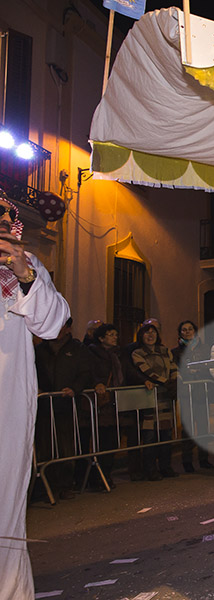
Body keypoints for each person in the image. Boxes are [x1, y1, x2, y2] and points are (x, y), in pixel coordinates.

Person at [0, 187, 70, 599]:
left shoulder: (29, 268)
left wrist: (25, 275)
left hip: (9, 401)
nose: (4, 228)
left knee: (6, 502)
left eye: (8, 222)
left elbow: (53, 323)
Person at [34, 316, 94, 500]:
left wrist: (74, 389)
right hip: (44, 404)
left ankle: (65, 484)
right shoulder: (41, 349)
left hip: (66, 405)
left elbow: (85, 373)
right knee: (44, 446)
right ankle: (46, 485)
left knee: (66, 445)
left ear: (68, 328)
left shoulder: (78, 349)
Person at [131, 322, 180, 480]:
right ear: (141, 336)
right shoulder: (137, 353)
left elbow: (173, 367)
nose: (150, 336)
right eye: (147, 333)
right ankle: (150, 469)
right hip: (150, 398)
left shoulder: (165, 351)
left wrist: (175, 380)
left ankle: (166, 467)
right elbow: (146, 370)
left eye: (153, 333)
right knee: (150, 436)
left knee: (166, 434)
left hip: (165, 398)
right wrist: (165, 382)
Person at [172, 320, 213, 472]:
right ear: (180, 333)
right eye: (184, 330)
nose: (187, 332)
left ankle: (204, 459)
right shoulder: (176, 352)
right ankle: (187, 461)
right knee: (187, 429)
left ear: (195, 332)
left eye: (190, 329)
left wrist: (199, 372)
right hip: (186, 394)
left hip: (202, 392)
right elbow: (175, 369)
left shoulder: (205, 349)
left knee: (203, 426)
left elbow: (209, 367)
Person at [88, 323, 125, 486]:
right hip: (100, 403)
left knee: (112, 441)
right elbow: (89, 372)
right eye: (111, 334)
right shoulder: (92, 353)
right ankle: (97, 477)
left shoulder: (117, 354)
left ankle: (106, 474)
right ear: (101, 338)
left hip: (114, 401)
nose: (115, 337)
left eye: (116, 334)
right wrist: (97, 383)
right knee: (100, 441)